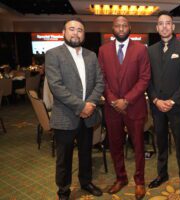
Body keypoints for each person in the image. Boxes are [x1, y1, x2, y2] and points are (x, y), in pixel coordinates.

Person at [45, 18, 104, 200]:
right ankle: (63, 190)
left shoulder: (91, 55)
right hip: (65, 116)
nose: (76, 33)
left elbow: (100, 82)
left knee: (86, 153)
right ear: (64, 32)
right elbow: (56, 86)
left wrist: (91, 104)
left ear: (83, 34)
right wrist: (81, 106)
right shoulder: (53, 54)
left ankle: (85, 182)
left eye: (80, 30)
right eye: (72, 29)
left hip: (88, 116)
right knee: (64, 158)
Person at [98, 16, 150, 200]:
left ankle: (139, 181)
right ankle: (121, 178)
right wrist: (113, 100)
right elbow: (101, 78)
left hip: (134, 106)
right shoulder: (103, 50)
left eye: (124, 25)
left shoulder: (141, 49)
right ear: (113, 28)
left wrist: (126, 100)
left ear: (130, 27)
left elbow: (144, 78)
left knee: (137, 146)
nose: (121, 28)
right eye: (117, 25)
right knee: (115, 145)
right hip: (112, 108)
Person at [147, 11, 180, 198]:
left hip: (177, 107)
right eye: (161, 23)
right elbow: (147, 80)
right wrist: (156, 100)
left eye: (168, 23)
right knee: (161, 143)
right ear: (157, 28)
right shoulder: (150, 50)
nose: (165, 26)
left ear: (173, 27)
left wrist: (172, 101)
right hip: (157, 107)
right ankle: (162, 174)